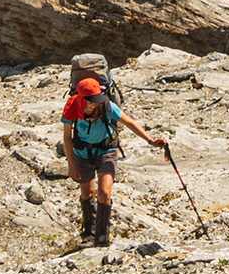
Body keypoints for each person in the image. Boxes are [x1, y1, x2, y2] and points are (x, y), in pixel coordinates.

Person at [61, 76, 166, 246]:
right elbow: (67, 138)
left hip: (106, 150)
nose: (95, 104)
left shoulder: (107, 106)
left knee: (104, 192)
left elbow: (129, 122)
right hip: (82, 153)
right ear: (81, 98)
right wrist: (71, 166)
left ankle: (101, 239)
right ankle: (89, 235)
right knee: (87, 194)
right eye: (91, 101)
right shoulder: (72, 106)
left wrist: (151, 141)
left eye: (96, 99)